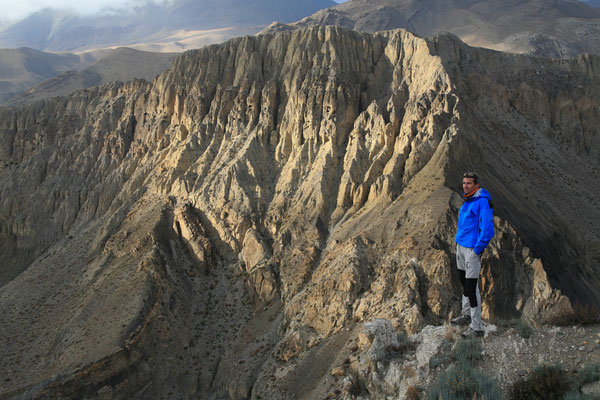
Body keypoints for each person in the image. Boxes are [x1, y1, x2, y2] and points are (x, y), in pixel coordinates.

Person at [451, 172, 494, 338]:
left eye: (469, 183)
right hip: (461, 247)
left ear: (476, 185)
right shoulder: (468, 200)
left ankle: (477, 328)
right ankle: (466, 314)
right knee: (464, 283)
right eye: (464, 183)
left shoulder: (482, 201)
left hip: (471, 250)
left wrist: (478, 249)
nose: (465, 186)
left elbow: (487, 227)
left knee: (471, 286)